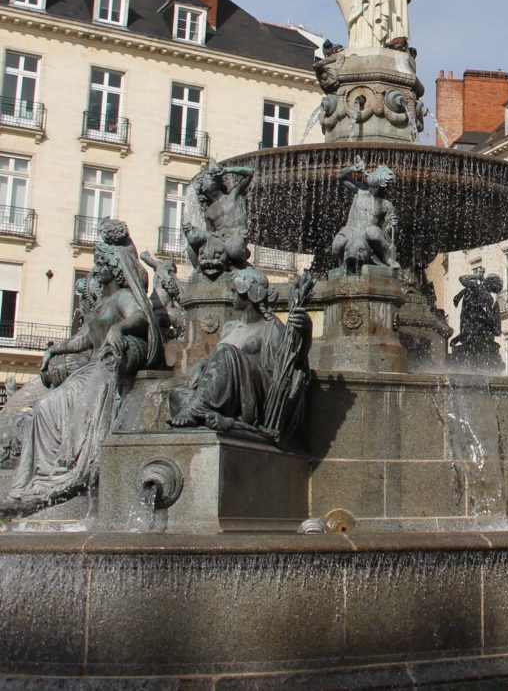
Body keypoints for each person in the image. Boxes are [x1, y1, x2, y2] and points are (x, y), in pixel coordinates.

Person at [3, 220, 163, 513]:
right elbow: (84, 338)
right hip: (91, 369)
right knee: (44, 407)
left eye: (100, 262)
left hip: (104, 371)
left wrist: (119, 330)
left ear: (113, 267)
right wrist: (54, 349)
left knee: (53, 405)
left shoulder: (123, 298)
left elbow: (140, 317)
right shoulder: (103, 304)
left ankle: (65, 467)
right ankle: (38, 478)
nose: (95, 268)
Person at [167, 266, 312, 444]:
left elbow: (294, 365)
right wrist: (203, 366)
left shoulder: (273, 329)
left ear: (249, 295)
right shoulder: (230, 326)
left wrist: (306, 332)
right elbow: (218, 370)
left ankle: (201, 412)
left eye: (234, 292)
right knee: (176, 394)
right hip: (220, 395)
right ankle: (211, 417)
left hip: (249, 399)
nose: (230, 297)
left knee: (226, 352)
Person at [183, 160, 254, 277]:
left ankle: (243, 266)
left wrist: (227, 170)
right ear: (203, 189)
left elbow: (250, 172)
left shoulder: (232, 195)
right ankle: (199, 273)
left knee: (233, 246)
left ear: (218, 183)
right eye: (206, 180)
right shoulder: (208, 212)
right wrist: (193, 231)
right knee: (191, 244)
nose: (209, 180)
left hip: (237, 235)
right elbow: (210, 233)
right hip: (219, 237)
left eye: (210, 178)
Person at [331, 156, 398, 272]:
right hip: (350, 231)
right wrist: (353, 168)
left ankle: (388, 259)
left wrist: (393, 225)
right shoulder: (360, 190)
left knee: (372, 231)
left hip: (367, 235)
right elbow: (339, 176)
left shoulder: (386, 205)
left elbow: (391, 232)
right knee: (336, 246)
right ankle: (344, 264)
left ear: (383, 183)